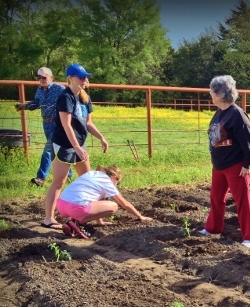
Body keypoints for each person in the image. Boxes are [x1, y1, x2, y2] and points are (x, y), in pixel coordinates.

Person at [40, 63, 108, 230]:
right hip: (64, 144)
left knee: (88, 181)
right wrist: (76, 146)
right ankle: (48, 218)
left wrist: (101, 137)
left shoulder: (84, 98)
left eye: (86, 77)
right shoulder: (66, 97)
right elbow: (66, 125)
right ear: (70, 78)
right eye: (81, 77)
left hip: (79, 144)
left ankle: (96, 218)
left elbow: (88, 123)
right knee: (59, 182)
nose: (85, 79)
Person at [200, 75, 250, 248]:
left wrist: (247, 163)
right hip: (219, 165)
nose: (210, 94)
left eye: (212, 91)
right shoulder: (219, 112)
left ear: (220, 93)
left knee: (242, 200)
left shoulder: (237, 115)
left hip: (235, 166)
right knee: (216, 198)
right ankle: (213, 228)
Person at [57, 165, 152, 238]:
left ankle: (74, 222)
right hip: (76, 207)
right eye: (118, 182)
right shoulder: (107, 181)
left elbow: (95, 202)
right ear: (114, 176)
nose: (116, 185)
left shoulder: (92, 173)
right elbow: (124, 203)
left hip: (61, 204)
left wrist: (100, 222)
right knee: (114, 206)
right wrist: (140, 216)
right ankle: (77, 223)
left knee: (87, 205)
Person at [15, 67, 72, 186]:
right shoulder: (40, 90)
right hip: (46, 123)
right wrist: (24, 106)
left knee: (48, 150)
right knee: (58, 149)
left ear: (51, 78)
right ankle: (68, 175)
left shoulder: (60, 89)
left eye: (44, 77)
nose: (41, 79)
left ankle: (41, 178)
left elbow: (69, 101)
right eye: (39, 77)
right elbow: (36, 103)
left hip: (58, 124)